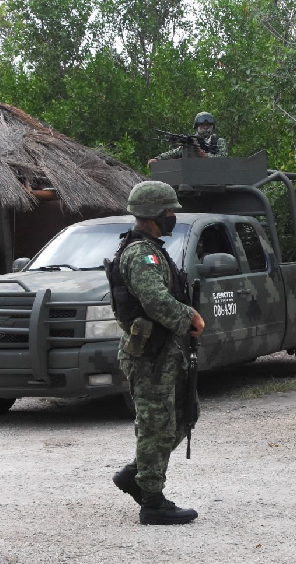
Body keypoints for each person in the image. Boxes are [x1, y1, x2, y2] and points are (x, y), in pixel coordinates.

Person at [107, 180, 206, 525]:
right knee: (155, 425)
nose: (173, 216)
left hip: (162, 352)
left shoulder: (150, 248)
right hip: (149, 354)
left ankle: (137, 474)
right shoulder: (141, 254)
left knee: (183, 416)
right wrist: (189, 317)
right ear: (153, 215)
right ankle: (151, 499)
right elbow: (154, 301)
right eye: (168, 212)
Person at [148, 111, 229, 164]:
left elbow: (224, 159)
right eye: (202, 125)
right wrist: (158, 159)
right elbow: (175, 152)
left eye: (208, 125)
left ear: (212, 126)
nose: (205, 127)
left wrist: (206, 155)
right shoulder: (192, 141)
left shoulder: (218, 141)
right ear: (197, 126)